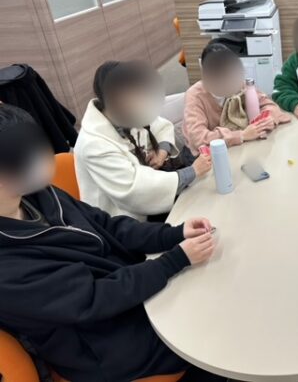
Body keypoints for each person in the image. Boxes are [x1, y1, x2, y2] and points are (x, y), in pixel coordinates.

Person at [0, 104, 222, 381]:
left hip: (127, 288)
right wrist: (174, 260)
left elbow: (107, 225)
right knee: (209, 327)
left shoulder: (37, 194)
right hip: (102, 343)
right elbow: (93, 298)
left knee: (212, 288)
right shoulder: (7, 270)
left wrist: (173, 234)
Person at [74, 61, 212, 221]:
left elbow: (160, 126)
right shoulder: (94, 144)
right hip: (121, 220)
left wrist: (162, 151)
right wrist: (192, 172)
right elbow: (134, 189)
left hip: (153, 196)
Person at [183, 41, 290, 152]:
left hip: (239, 148)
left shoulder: (239, 84)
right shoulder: (195, 96)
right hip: (205, 155)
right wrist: (241, 135)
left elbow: (269, 105)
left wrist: (267, 119)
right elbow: (198, 139)